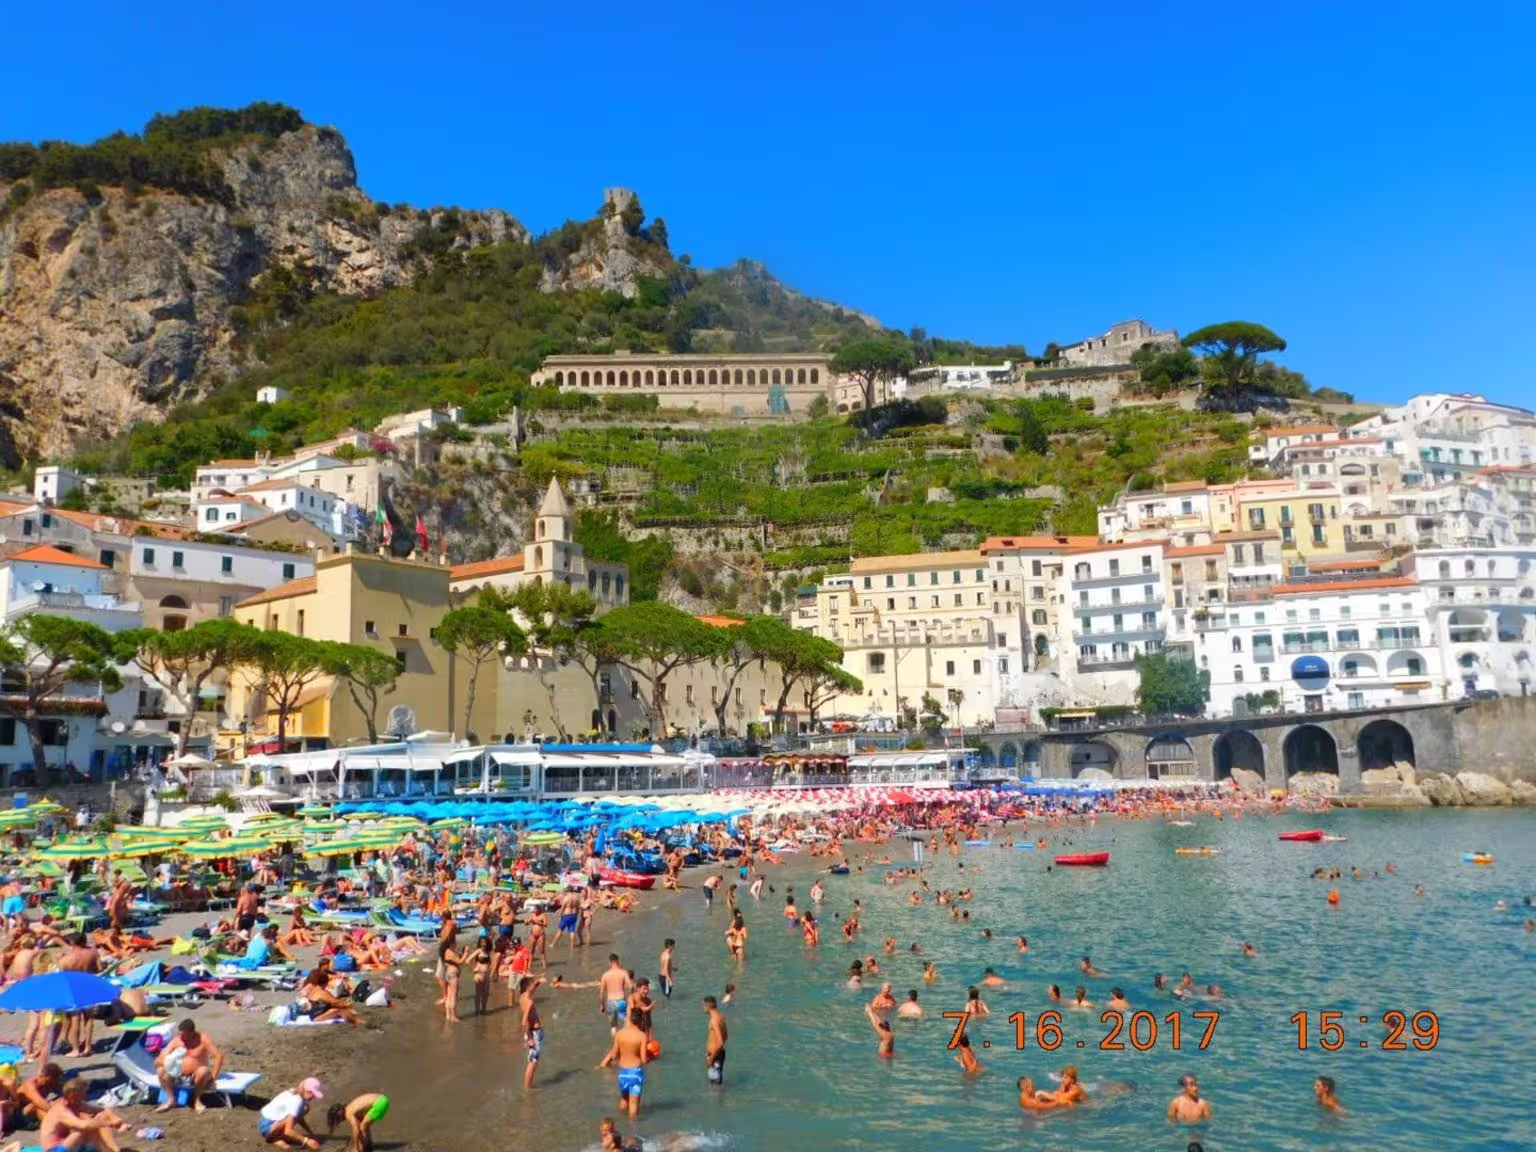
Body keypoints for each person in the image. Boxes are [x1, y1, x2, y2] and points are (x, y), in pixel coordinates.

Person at [155, 1018, 225, 1113]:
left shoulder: (203, 1039)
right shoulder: (177, 1040)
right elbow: (160, 1058)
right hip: (178, 1075)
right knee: (161, 1070)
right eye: (181, 1033)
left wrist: (213, 1078)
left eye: (184, 1034)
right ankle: (171, 1100)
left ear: (192, 1032)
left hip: (196, 1075)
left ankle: (197, 1101)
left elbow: (219, 1056)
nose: (182, 1036)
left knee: (203, 1071)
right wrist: (167, 1061)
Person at [40, 1078, 126, 1152]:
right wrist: (110, 1124)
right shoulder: (61, 1110)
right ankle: (108, 1150)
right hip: (54, 1149)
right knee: (88, 1127)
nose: (85, 1096)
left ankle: (114, 1149)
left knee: (99, 1119)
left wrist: (116, 1119)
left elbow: (103, 1110)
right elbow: (83, 1125)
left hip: (66, 1144)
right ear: (73, 1095)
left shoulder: (75, 1103)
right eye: (83, 1093)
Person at [598, 1007, 650, 1119]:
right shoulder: (642, 1036)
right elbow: (644, 1060)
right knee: (634, 1105)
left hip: (623, 1073)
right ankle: (632, 1130)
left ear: (630, 1019)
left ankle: (620, 1122)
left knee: (624, 1100)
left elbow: (614, 1055)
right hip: (635, 1073)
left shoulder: (620, 1034)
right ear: (641, 1021)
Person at [260, 1077, 325, 1149]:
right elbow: (288, 1131)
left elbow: (299, 1117)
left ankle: (278, 1137)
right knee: (300, 1112)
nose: (313, 1097)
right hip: (267, 1127)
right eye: (311, 1093)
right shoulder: (296, 1101)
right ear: (305, 1090)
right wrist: (306, 1141)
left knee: (305, 1108)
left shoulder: (295, 1092)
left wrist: (311, 1133)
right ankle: (273, 1138)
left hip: (268, 1122)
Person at [519, 975, 545, 1088]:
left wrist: (538, 982)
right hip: (534, 1033)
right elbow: (524, 1021)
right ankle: (527, 1087)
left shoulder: (522, 997)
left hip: (532, 1033)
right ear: (527, 987)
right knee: (533, 1062)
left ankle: (528, 1085)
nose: (534, 986)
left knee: (533, 1060)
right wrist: (530, 1039)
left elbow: (532, 988)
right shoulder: (529, 1002)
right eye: (532, 985)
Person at [599, 954, 633, 1035]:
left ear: (609, 962)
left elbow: (601, 992)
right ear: (618, 961)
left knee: (613, 1027)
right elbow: (631, 987)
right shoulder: (623, 972)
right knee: (627, 1023)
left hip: (610, 1002)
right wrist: (630, 999)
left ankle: (616, 1043)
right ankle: (626, 1041)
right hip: (621, 1000)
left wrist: (602, 1005)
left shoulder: (605, 975)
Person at [704, 995, 728, 1085]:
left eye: (703, 1006)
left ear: (707, 1006)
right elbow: (726, 1036)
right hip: (720, 1054)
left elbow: (720, 1042)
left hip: (714, 1056)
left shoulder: (714, 1020)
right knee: (718, 1083)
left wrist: (711, 1058)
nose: (703, 1009)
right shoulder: (721, 1016)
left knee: (714, 1086)